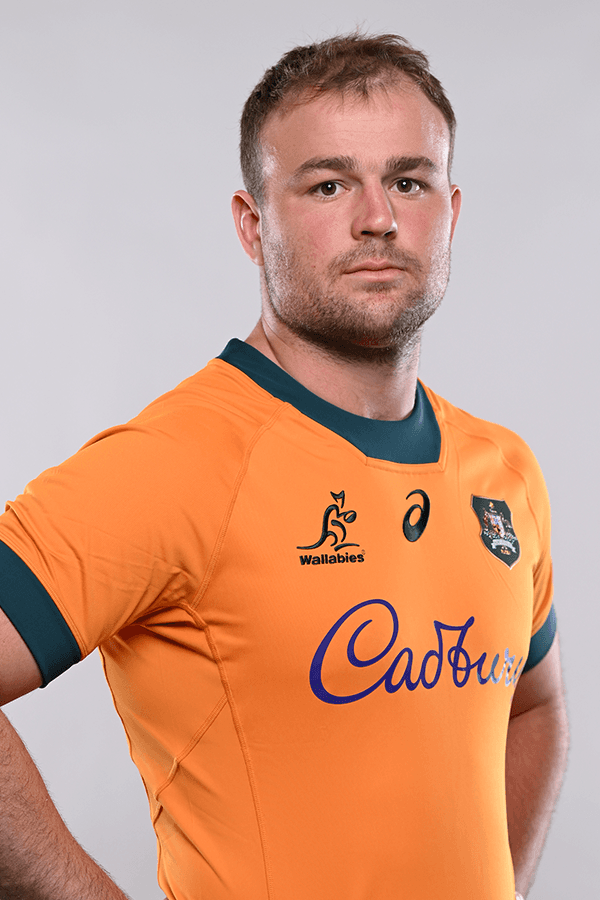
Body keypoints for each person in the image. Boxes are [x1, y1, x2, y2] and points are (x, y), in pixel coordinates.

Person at [0, 32, 569, 900]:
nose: (377, 218)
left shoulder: (504, 471)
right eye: (329, 184)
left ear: (450, 211)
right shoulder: (175, 464)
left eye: (408, 181)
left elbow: (535, 706)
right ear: (252, 222)